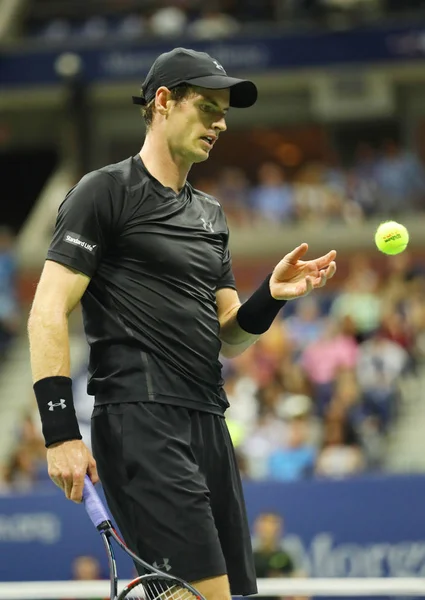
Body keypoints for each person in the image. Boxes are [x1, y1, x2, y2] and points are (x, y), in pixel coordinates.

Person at [27, 47, 337, 600]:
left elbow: (230, 337)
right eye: (208, 107)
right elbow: (47, 309)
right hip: (142, 422)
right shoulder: (105, 192)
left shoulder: (210, 215)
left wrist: (270, 295)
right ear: (163, 102)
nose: (220, 123)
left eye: (225, 112)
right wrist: (59, 434)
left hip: (208, 425)